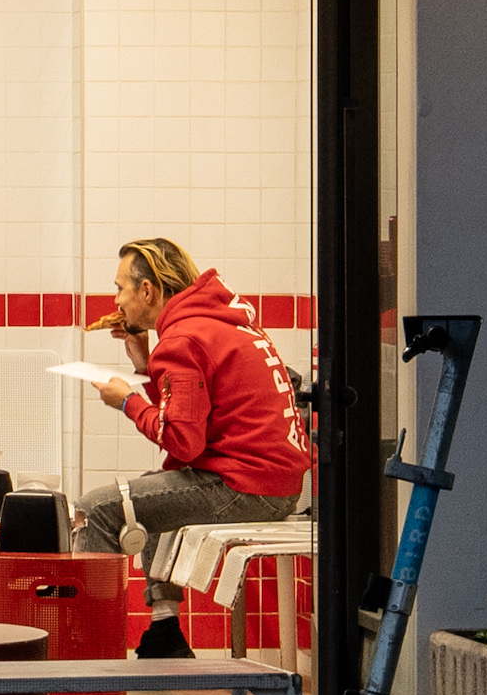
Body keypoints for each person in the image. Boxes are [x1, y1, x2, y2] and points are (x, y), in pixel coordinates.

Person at [66, 235, 311, 558]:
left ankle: (97, 596)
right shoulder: (217, 323)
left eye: (120, 288)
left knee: (94, 509)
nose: (117, 301)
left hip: (245, 488)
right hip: (277, 485)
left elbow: (182, 441)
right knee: (150, 493)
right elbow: (187, 413)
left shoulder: (182, 339)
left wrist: (128, 401)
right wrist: (144, 364)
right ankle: (163, 595)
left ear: (147, 291)